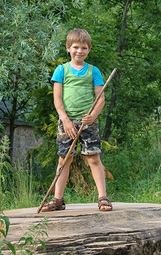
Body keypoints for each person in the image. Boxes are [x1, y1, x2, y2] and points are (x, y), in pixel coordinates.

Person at [42, 28, 112, 212]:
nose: (79, 51)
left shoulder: (93, 71)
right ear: (68, 48)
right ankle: (57, 199)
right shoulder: (61, 70)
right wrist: (64, 119)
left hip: (87, 122)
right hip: (67, 122)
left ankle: (103, 197)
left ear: (89, 50)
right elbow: (57, 99)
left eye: (84, 48)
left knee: (93, 158)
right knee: (64, 160)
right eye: (76, 47)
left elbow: (101, 99)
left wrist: (92, 117)